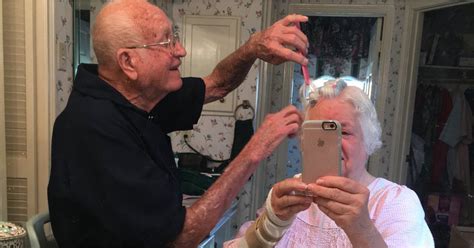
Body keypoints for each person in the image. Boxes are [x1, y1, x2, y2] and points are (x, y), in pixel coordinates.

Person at [47, 0, 310, 247]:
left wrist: (253, 47)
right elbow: (180, 239)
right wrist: (254, 150)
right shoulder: (95, 129)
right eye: (167, 42)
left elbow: (217, 84)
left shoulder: (138, 96)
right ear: (128, 62)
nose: (181, 50)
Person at [225, 76, 434, 247]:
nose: (332, 144)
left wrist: (362, 230)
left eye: (344, 131)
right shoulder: (291, 194)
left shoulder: (395, 202)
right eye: (319, 133)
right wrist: (272, 222)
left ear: (368, 139)